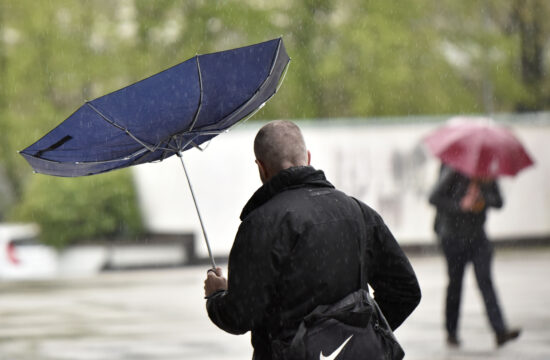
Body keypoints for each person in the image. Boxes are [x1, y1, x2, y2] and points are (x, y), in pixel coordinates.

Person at [204, 120, 421, 359]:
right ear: (307, 157)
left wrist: (217, 296)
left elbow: (239, 317)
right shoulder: (358, 212)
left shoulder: (260, 225)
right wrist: (357, 338)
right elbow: (405, 291)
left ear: (261, 167)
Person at [429, 164, 521, 347]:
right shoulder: (454, 170)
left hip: (478, 237)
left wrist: (482, 198)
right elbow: (434, 197)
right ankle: (451, 332)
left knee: (485, 281)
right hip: (453, 237)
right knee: (455, 284)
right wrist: (460, 204)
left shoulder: (487, 174)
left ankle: (500, 331)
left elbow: (499, 201)